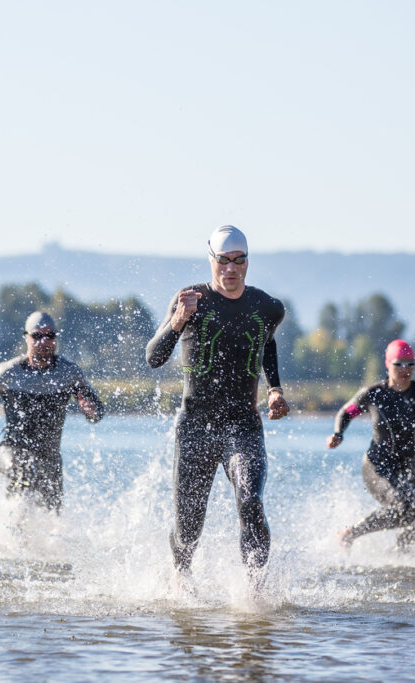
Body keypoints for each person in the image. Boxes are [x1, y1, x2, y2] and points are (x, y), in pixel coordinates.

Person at [146, 225, 289, 583]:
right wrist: (179, 320)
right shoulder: (189, 299)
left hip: (243, 425)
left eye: (238, 261)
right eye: (223, 261)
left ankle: (254, 592)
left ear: (247, 263)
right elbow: (153, 357)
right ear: (211, 261)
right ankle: (181, 578)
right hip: (196, 426)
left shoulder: (268, 307)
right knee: (188, 528)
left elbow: (265, 342)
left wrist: (274, 389)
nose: (231, 269)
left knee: (251, 502)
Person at [327, 339, 415, 551]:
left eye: (410, 364)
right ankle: (349, 534)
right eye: (399, 364)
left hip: (410, 467)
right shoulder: (374, 393)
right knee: (405, 508)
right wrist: (338, 433)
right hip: (378, 467)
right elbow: (346, 412)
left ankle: (402, 566)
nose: (405, 369)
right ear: (388, 364)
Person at [0, 311, 105, 512]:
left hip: (50, 457)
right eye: (37, 336)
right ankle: (11, 532)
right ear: (26, 338)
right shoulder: (9, 372)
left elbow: (97, 413)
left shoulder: (69, 373)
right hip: (11, 451)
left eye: (49, 335)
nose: (43, 341)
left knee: (52, 514)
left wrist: (90, 410)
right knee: (24, 473)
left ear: (55, 338)